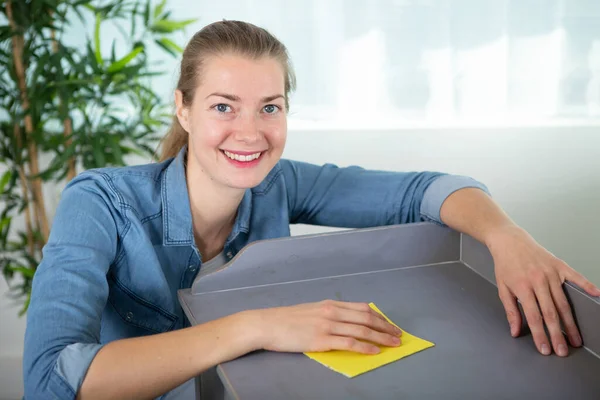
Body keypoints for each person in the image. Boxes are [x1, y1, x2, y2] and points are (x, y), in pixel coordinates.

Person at [23, 20, 600, 400]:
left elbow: (426, 189)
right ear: (184, 109)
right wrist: (258, 325)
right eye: (224, 106)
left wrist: (508, 238)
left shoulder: (281, 182)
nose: (250, 132)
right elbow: (50, 380)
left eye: (269, 107)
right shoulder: (97, 202)